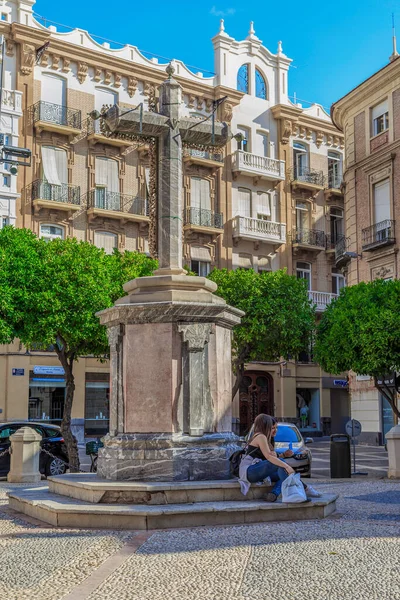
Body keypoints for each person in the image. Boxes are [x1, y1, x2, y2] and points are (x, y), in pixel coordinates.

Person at [239, 414, 320, 502]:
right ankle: (300, 491)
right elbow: (269, 457)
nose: (275, 430)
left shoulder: (266, 439)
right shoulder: (260, 436)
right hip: (248, 471)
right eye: (273, 428)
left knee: (283, 474)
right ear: (265, 426)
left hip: (256, 470)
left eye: (276, 427)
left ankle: (273, 494)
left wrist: (284, 455)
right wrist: (286, 466)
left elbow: (270, 457)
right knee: (283, 467)